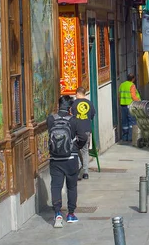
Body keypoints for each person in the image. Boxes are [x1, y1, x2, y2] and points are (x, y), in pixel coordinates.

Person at [48, 95, 88, 227]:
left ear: (59, 105)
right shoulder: (73, 120)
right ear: (70, 107)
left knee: (56, 186)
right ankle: (70, 214)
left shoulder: (50, 119)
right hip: (71, 159)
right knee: (72, 187)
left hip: (55, 159)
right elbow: (83, 137)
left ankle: (57, 213)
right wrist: (75, 147)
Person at [70, 86, 96, 180]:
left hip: (76, 130)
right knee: (85, 151)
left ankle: (79, 168)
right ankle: (85, 172)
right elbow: (93, 115)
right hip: (87, 129)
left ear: (77, 93)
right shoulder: (89, 103)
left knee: (75, 149)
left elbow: (71, 116)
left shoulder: (74, 104)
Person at [118, 73, 140, 142]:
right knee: (132, 121)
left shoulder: (122, 85)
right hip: (130, 105)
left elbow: (119, 95)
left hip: (123, 105)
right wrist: (139, 102)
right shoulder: (132, 85)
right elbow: (133, 96)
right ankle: (130, 137)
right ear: (133, 79)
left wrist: (120, 102)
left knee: (124, 122)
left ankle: (125, 138)